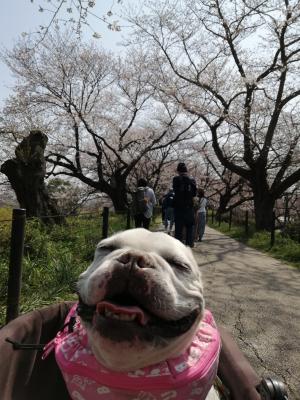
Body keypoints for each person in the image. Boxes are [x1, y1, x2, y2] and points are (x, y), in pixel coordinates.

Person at [172, 162, 197, 247]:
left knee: (178, 228)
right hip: (189, 208)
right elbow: (194, 194)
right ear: (186, 170)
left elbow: (175, 191)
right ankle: (189, 245)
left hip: (179, 208)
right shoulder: (192, 180)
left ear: (178, 171)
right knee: (190, 226)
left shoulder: (176, 179)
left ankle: (178, 248)